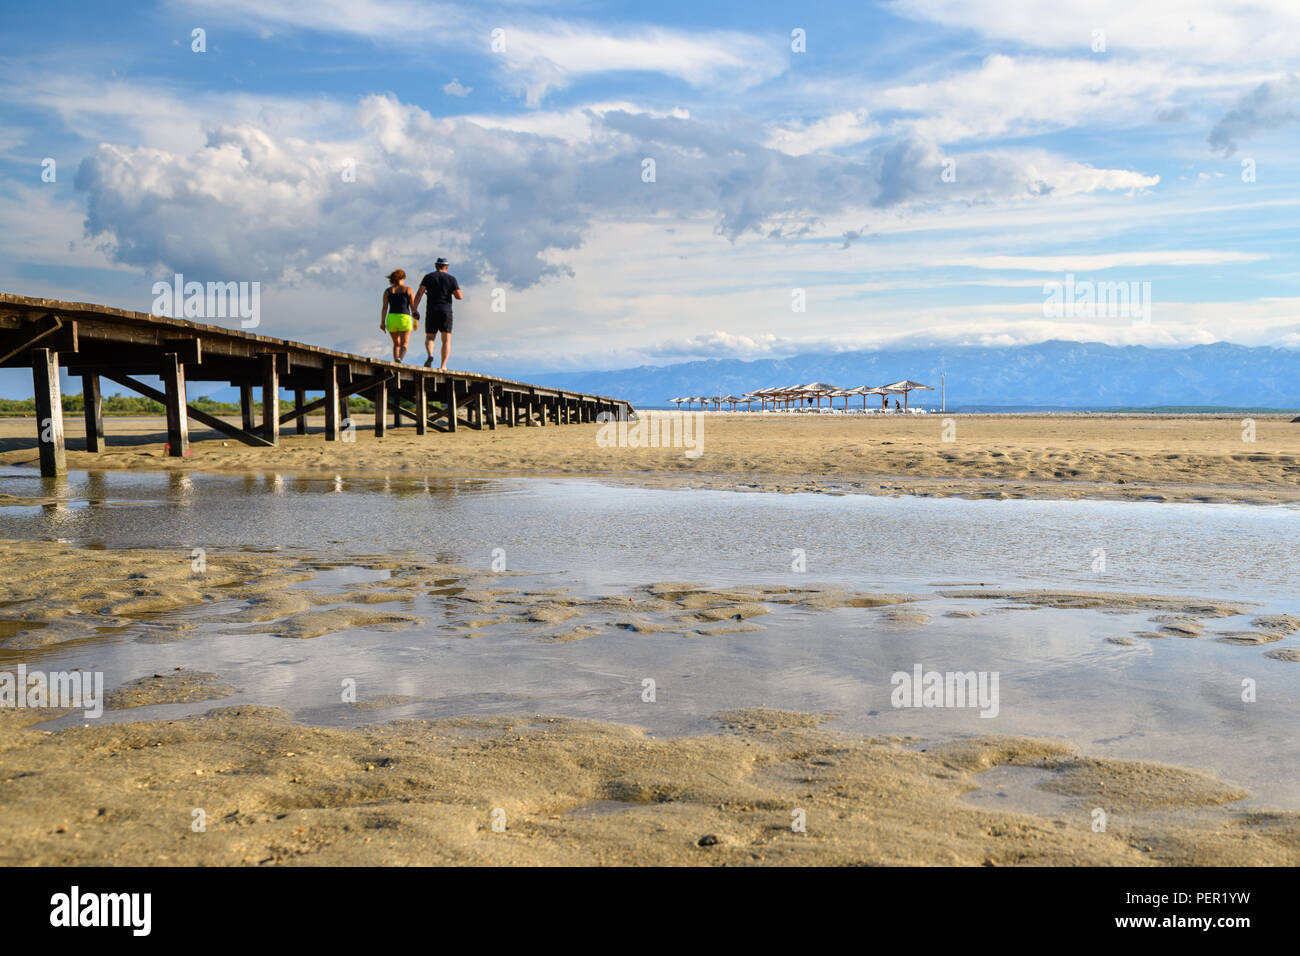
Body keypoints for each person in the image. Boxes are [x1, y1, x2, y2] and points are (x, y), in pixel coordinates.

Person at [414, 257, 462, 369]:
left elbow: (419, 293)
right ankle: (443, 365)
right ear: (447, 267)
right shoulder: (451, 279)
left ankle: (430, 355)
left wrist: (415, 309)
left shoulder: (428, 277)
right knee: (446, 340)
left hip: (432, 310)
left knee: (430, 337)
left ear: (436, 266)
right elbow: (459, 296)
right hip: (446, 311)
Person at [380, 269, 417, 362]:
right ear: (403, 278)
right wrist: (415, 320)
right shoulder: (408, 290)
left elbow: (384, 307)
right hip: (404, 318)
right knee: (404, 344)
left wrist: (382, 322)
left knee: (396, 344)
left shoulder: (388, 291)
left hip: (392, 318)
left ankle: (396, 361)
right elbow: (413, 307)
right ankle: (399, 358)